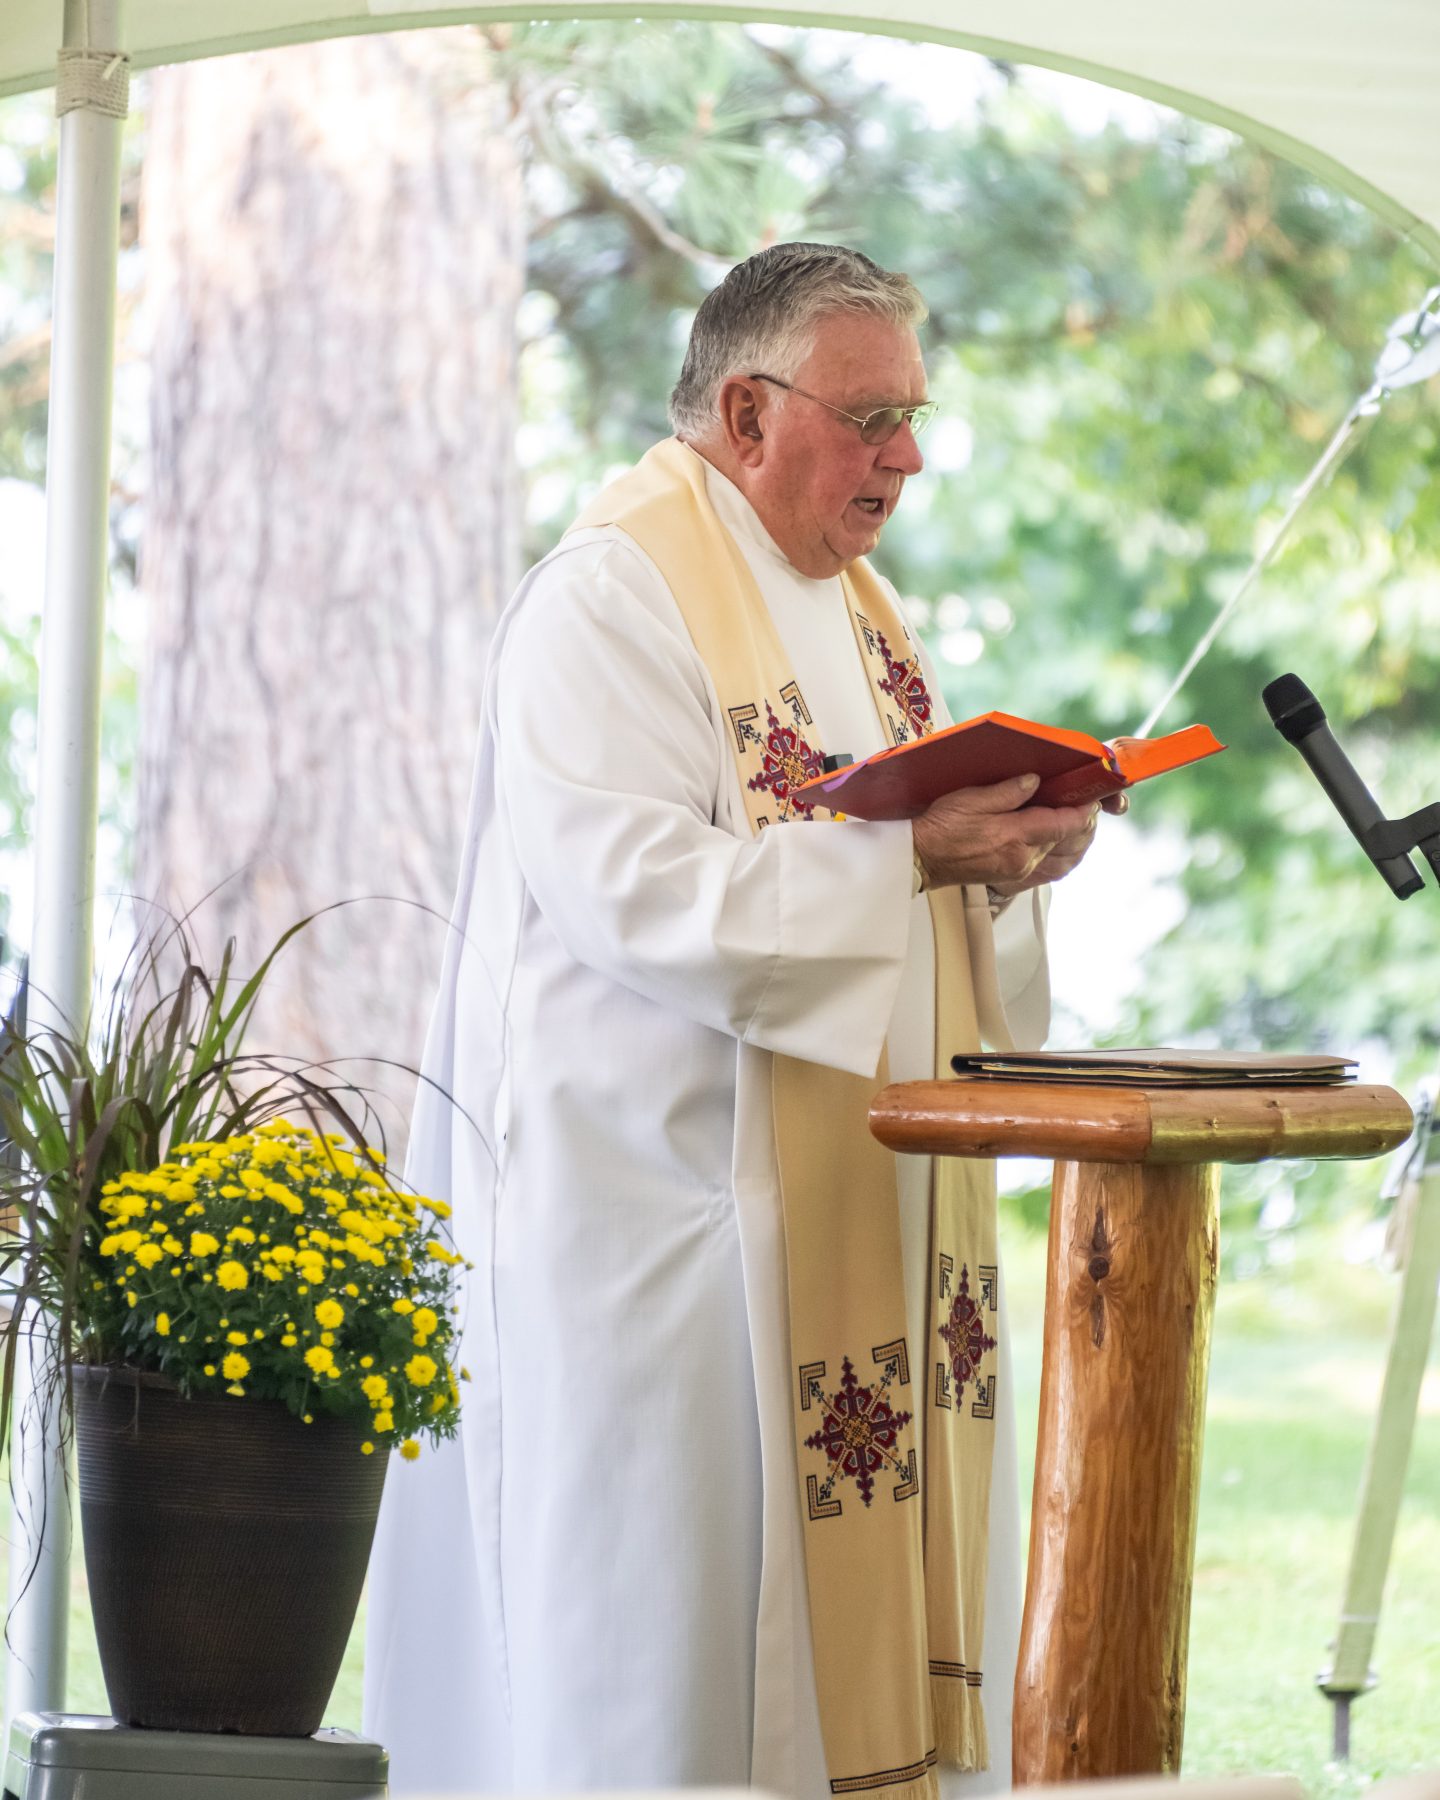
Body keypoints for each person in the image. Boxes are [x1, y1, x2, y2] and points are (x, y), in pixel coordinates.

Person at [363, 243, 1112, 1800]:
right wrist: (916, 856)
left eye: (916, 416)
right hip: (679, 1232)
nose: (906, 457)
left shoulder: (864, 615)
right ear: (747, 409)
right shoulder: (609, 597)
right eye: (872, 416)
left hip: (859, 1220)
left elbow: (900, 876)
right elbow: (629, 889)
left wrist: (1011, 863)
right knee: (674, 1670)